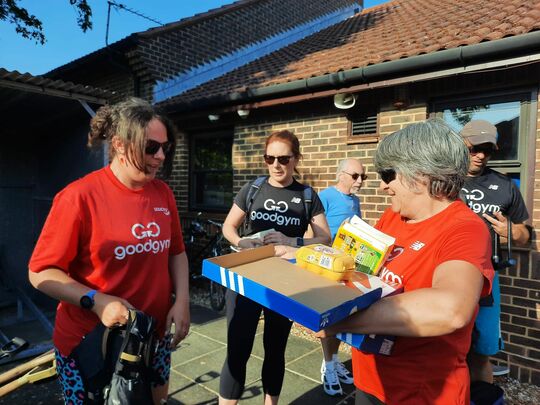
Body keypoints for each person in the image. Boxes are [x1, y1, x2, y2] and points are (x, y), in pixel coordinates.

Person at [315, 119, 495, 405]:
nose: (383, 186)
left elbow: (451, 308)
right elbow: (358, 267)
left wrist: (339, 319)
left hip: (422, 393)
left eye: (388, 174)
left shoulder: (465, 228)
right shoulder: (393, 217)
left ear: (421, 173)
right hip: (370, 381)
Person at [28, 98, 190, 405]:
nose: (159, 157)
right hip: (91, 342)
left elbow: (176, 253)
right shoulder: (79, 197)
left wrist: (181, 301)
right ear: (118, 144)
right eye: (150, 147)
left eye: (164, 148)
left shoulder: (163, 193)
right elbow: (40, 273)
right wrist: (96, 301)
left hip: (151, 337)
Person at [220, 129, 331, 405]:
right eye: (270, 158)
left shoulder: (306, 195)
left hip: (283, 283)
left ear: (296, 159)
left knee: (275, 349)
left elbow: (324, 237)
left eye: (284, 158)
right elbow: (229, 227)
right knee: (237, 349)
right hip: (247, 280)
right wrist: (241, 242)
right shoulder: (253, 188)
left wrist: (291, 241)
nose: (276, 165)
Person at [459, 120, 530, 383]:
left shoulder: (505, 185)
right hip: (443, 274)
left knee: (481, 354)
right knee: (441, 347)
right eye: (474, 148)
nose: (480, 155)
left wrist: (511, 232)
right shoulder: (440, 180)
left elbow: (526, 234)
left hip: (487, 279)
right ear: (460, 143)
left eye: (487, 150)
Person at [317, 158, 366, 396]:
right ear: (341, 175)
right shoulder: (325, 196)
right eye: (356, 176)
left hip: (347, 266)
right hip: (329, 266)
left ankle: (335, 361)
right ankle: (327, 365)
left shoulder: (355, 200)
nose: (360, 181)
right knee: (330, 319)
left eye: (363, 177)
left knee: (342, 316)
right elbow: (312, 230)